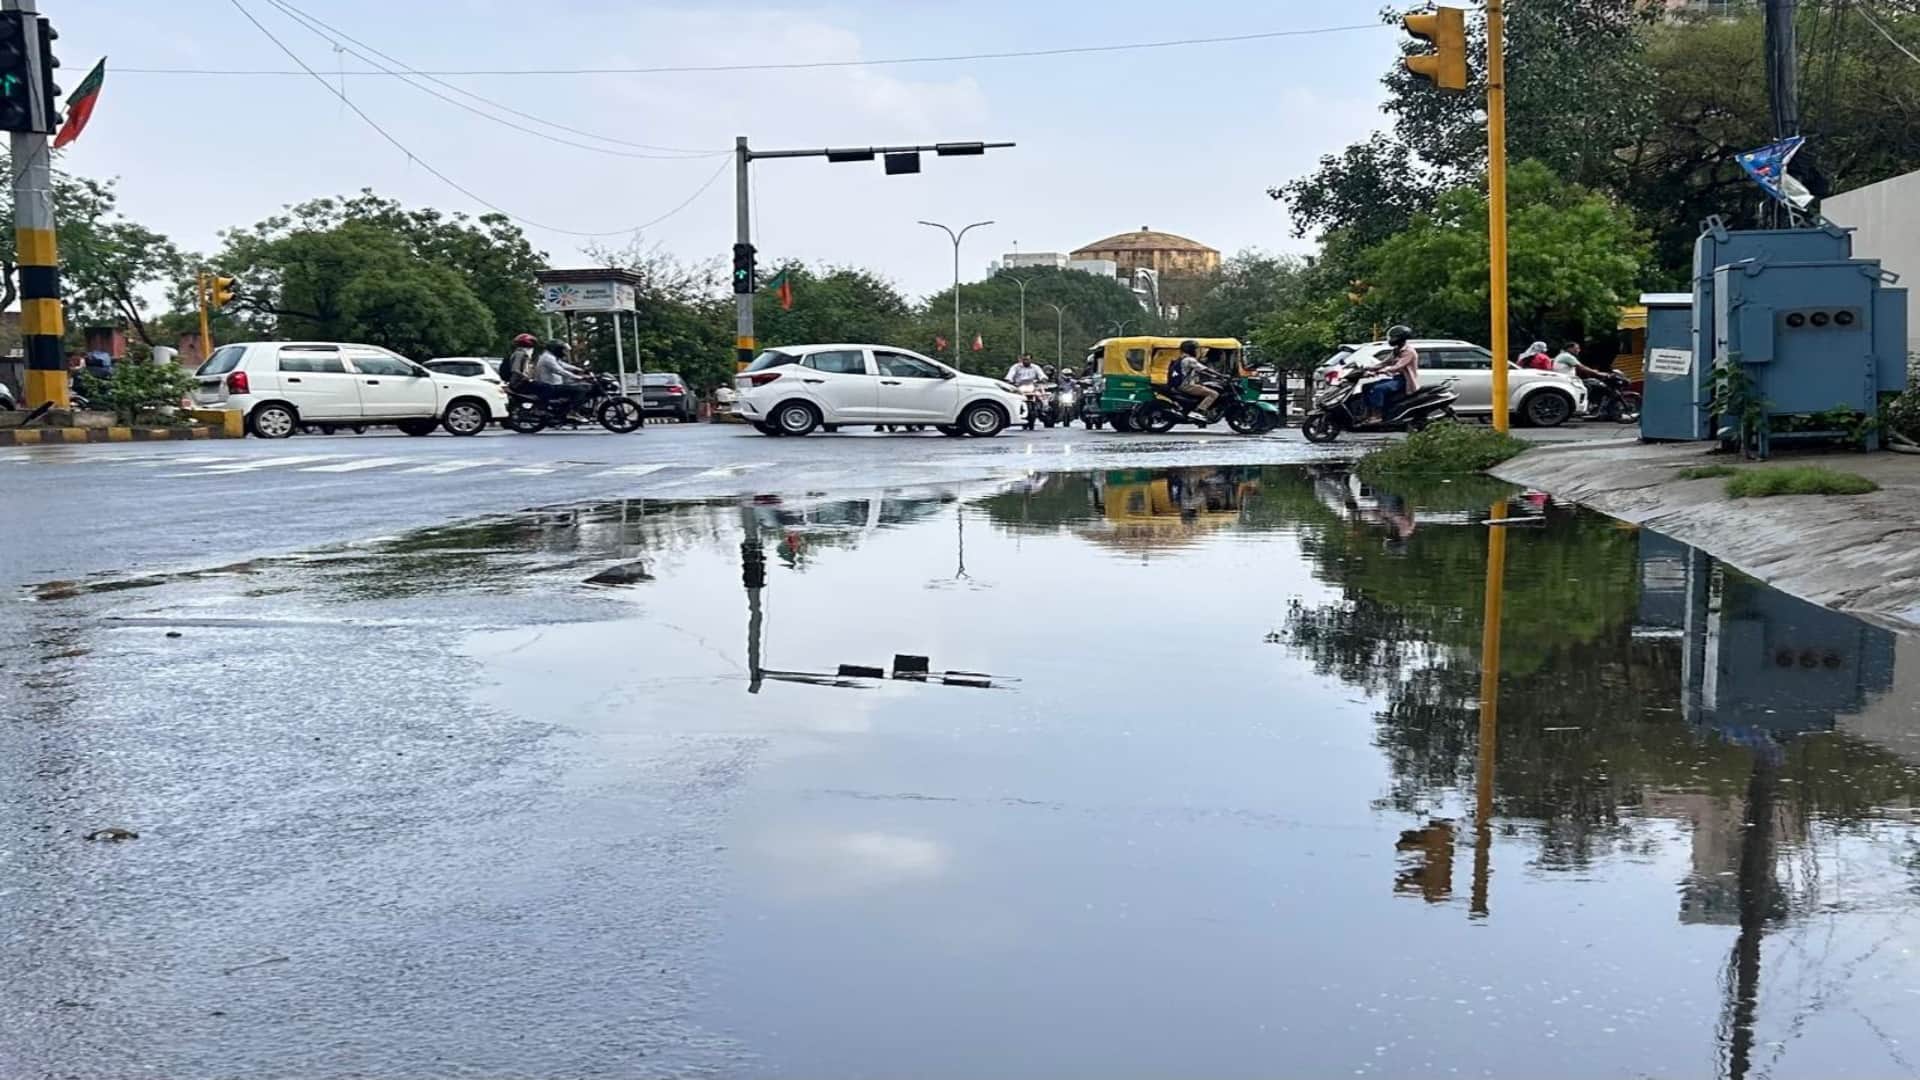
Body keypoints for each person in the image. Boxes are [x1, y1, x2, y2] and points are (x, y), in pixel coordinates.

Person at [1364, 325, 1420, 423]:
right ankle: (1367, 412)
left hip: (1405, 380)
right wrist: (1369, 368)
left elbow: (1398, 366)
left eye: (1394, 337)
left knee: (1379, 389)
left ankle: (1377, 415)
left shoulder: (1409, 352)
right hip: (1395, 378)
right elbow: (1385, 362)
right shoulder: (1396, 350)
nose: (1391, 339)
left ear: (1401, 338)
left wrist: (1384, 370)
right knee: (1366, 387)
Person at [533, 340, 595, 417]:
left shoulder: (550, 356)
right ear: (555, 349)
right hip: (550, 386)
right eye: (562, 349)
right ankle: (573, 412)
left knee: (577, 386)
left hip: (552, 385)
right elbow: (560, 371)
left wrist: (580, 370)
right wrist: (578, 377)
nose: (563, 352)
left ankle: (567, 409)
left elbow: (563, 365)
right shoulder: (548, 358)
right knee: (581, 389)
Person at [1168, 339, 1220, 418]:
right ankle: (1199, 411)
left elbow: (1200, 371)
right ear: (1191, 349)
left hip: (1181, 384)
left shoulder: (1182, 358)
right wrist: (1221, 375)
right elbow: (1204, 369)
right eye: (1196, 349)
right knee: (1213, 394)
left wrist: (1214, 376)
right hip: (1186, 385)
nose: (1197, 351)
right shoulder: (1190, 360)